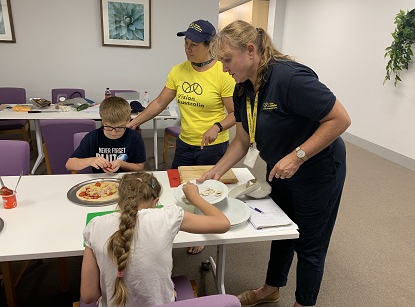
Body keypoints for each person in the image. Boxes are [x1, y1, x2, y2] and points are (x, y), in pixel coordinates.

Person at [198, 20, 351, 307]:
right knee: (280, 229)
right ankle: (271, 289)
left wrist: (298, 156)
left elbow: (340, 119)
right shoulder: (243, 87)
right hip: (281, 167)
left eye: (228, 60)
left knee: (309, 243)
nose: (224, 68)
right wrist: (218, 170)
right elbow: (243, 139)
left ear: (252, 51)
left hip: (317, 168)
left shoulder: (290, 78)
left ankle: (303, 303)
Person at [127, 19, 236, 255]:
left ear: (210, 45)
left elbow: (236, 113)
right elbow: (159, 102)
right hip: (185, 142)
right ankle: (180, 225)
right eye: (186, 43)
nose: (188, 48)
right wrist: (134, 122)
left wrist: (217, 126)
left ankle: (203, 232)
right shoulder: (179, 70)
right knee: (177, 186)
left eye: (194, 44)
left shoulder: (223, 73)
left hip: (213, 146)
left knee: (206, 190)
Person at [80, 172, 230, 307]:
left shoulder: (95, 226)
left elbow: (88, 296)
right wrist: (195, 197)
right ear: (156, 201)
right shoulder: (168, 216)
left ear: (119, 201)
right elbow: (223, 223)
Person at [66, 96, 146, 173]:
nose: (113, 133)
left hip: (126, 180)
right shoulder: (93, 137)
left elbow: (140, 167)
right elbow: (69, 165)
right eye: (108, 127)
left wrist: (122, 164)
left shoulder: (135, 138)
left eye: (120, 128)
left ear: (128, 121)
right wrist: (90, 160)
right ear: (102, 121)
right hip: (100, 182)